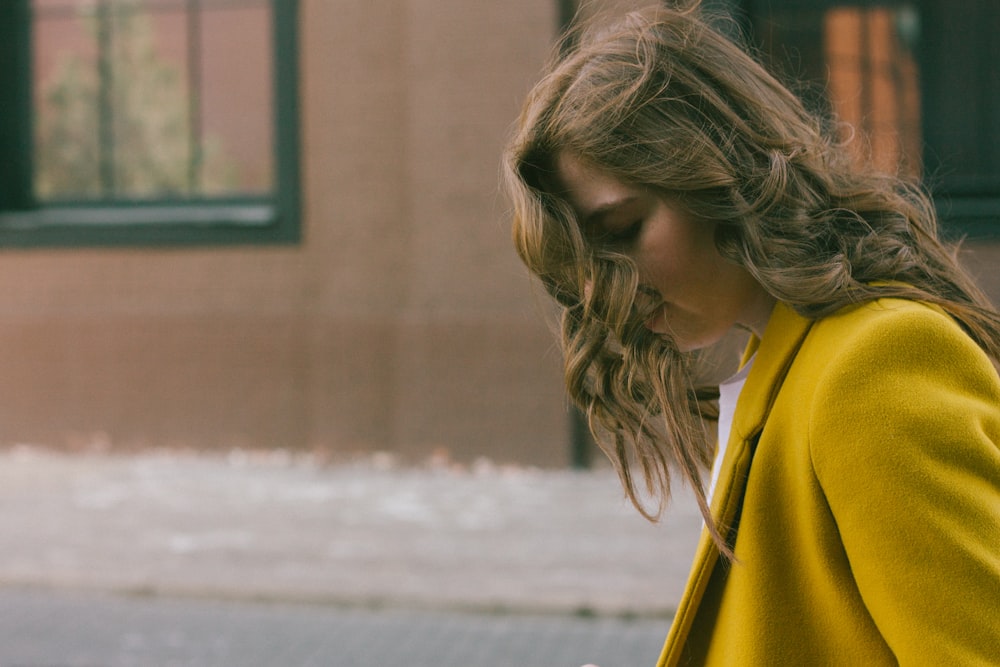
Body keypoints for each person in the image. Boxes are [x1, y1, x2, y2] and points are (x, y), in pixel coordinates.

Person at [502, 3, 1000, 665]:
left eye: (622, 231)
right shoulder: (782, 365)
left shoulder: (874, 361)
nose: (604, 287)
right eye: (583, 264)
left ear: (718, 172)